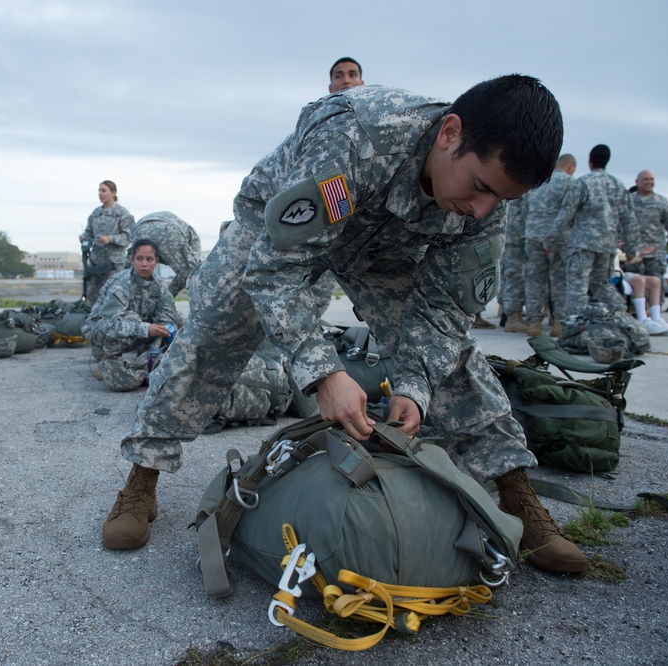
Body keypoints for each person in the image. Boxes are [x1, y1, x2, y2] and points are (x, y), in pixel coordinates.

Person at [102, 75, 588, 574]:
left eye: (500, 200)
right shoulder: (357, 139)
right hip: (276, 234)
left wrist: (415, 388)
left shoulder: (483, 206)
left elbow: (442, 311)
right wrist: (324, 374)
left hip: (382, 245)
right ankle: (142, 480)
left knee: (456, 356)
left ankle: (516, 494)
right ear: (450, 134)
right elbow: (276, 268)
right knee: (209, 336)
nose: (482, 209)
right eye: (480, 187)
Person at [547, 145, 639, 324]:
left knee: (577, 286)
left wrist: (550, 238)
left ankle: (576, 324)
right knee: (602, 284)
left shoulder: (582, 182)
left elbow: (566, 213)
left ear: (590, 161)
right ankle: (621, 315)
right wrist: (631, 247)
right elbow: (629, 218)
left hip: (582, 244)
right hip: (607, 245)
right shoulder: (617, 185)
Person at [81, 239, 178, 392]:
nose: (144, 264)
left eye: (149, 259)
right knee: (132, 319)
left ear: (156, 261)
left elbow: (165, 319)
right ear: (132, 260)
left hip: (134, 329)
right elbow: (110, 324)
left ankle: (144, 362)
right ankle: (108, 358)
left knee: (169, 329)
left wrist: (166, 330)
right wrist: (146, 329)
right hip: (99, 330)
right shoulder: (121, 283)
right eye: (139, 258)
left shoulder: (161, 288)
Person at [522, 154, 576, 337]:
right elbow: (570, 212)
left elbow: (524, 209)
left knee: (534, 279)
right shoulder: (569, 182)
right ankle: (559, 323)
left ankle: (534, 323)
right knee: (560, 279)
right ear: (570, 166)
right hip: (558, 237)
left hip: (533, 234)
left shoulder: (538, 180)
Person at [80, 180, 134, 304]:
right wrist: (84, 237)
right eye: (99, 190)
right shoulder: (95, 213)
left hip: (113, 266)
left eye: (104, 190)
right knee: (91, 300)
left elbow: (128, 237)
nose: (100, 193)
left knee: (112, 300)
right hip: (95, 264)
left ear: (113, 193)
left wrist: (110, 239)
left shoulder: (122, 213)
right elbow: (89, 232)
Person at [626, 170, 668, 278]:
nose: (649, 182)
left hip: (655, 254)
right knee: (633, 287)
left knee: (656, 286)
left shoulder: (662, 202)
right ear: (637, 181)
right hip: (633, 253)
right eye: (645, 179)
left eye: (651, 179)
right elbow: (619, 224)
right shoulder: (628, 201)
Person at [130, 212, 202, 297]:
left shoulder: (184, 230)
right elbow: (191, 271)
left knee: (129, 274)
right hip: (168, 232)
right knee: (193, 275)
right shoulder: (194, 240)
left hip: (140, 229)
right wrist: (168, 293)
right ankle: (163, 300)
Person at [499, 197, 530, 333]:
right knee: (515, 276)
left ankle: (507, 311)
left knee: (508, 273)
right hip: (517, 236)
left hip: (509, 234)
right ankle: (513, 317)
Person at [620, 269, 668, 336]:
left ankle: (657, 320)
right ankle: (642, 320)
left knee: (655, 281)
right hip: (613, 273)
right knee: (639, 281)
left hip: (620, 271)